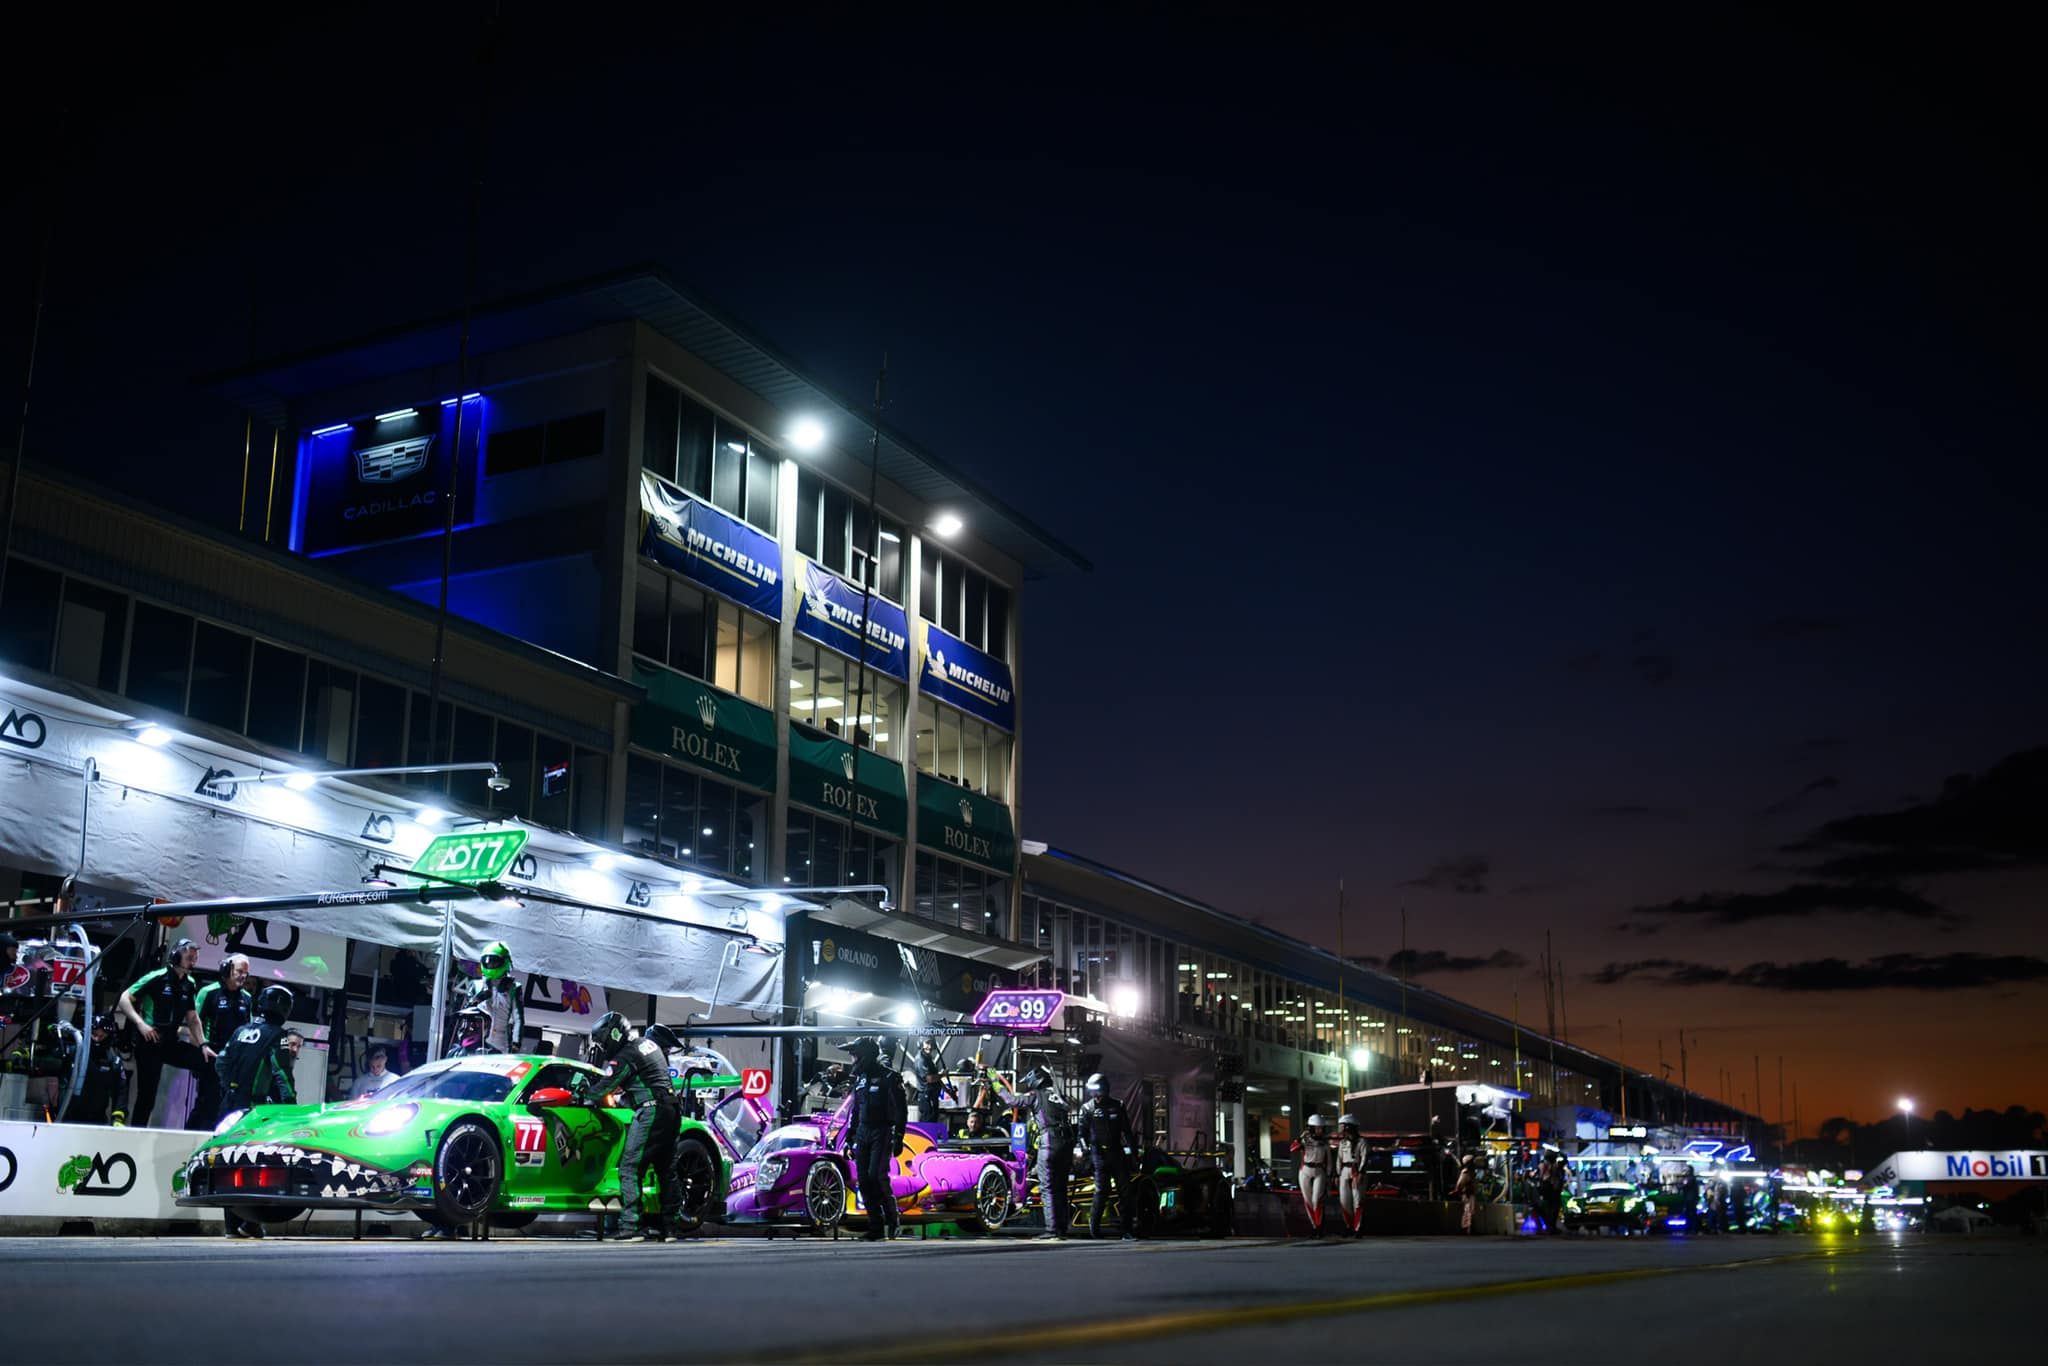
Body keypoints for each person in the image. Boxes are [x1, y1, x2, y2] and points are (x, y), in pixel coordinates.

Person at [579, 1010, 691, 1241]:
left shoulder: (625, 1055)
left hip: (652, 1111)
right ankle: (670, 1228)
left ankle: (631, 1226)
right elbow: (645, 1083)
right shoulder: (648, 1045)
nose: (602, 1047)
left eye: (602, 1041)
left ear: (614, 1034)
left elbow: (603, 1089)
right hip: (672, 1111)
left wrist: (582, 1093)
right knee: (666, 1171)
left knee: (630, 1167)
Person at [214, 985, 297, 1238]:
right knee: (254, 1165)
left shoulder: (240, 1030)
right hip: (254, 1108)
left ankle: (232, 1226)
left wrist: (230, 1087)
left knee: (227, 1162)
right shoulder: (278, 1035)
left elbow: (221, 1061)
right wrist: (290, 1108)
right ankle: (250, 1222)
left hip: (228, 1105)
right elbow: (282, 1073)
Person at [118, 938, 218, 1129]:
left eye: (195, 958)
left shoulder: (189, 983)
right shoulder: (157, 977)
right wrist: (141, 1024)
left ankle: (201, 1122)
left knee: (209, 1062)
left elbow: (192, 1018)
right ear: (176, 956)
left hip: (171, 1042)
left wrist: (203, 1044)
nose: (193, 962)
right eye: (189, 957)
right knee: (147, 1096)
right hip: (150, 1042)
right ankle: (136, 1133)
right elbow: (124, 999)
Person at [845, 1036, 906, 1242]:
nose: (853, 1059)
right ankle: (876, 1227)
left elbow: (901, 1109)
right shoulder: (860, 1080)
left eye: (855, 1055)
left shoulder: (890, 1077)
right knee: (863, 1180)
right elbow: (855, 1110)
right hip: (863, 1132)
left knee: (876, 1176)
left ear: (866, 1055)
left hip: (883, 1130)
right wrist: (849, 1137)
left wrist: (899, 1136)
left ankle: (893, 1220)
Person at [1079, 1073, 1138, 1240]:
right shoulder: (1087, 1108)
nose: (1094, 1095)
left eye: (1097, 1091)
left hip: (1117, 1153)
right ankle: (1094, 1230)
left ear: (1104, 1089)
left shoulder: (1118, 1105)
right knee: (1101, 1191)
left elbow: (1127, 1131)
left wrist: (1134, 1153)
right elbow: (1081, 1134)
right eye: (1092, 1091)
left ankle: (1127, 1231)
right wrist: (1085, 1151)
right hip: (1098, 1155)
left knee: (1125, 1192)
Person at [1020, 1066, 1074, 1240]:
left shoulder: (1036, 1096)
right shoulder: (1058, 1096)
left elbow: (1012, 1100)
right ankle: (1062, 1230)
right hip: (1066, 1144)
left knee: (1048, 1188)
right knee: (1061, 1188)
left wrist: (995, 1083)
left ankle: (1051, 1230)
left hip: (1049, 1142)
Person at [62, 1012, 132, 1126]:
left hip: (97, 1120)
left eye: (101, 1036)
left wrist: (118, 1118)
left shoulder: (113, 1061)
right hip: (68, 1118)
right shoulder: (74, 1054)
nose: (97, 1039)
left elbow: (121, 1091)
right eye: (94, 1034)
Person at [453, 941, 523, 1053]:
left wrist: (516, 1043)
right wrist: (477, 999)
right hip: (478, 1035)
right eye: (488, 962)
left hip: (501, 1039)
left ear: (505, 961)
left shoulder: (514, 987)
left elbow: (518, 1018)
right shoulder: (476, 985)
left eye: (494, 962)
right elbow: (465, 1013)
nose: (491, 965)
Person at [1291, 1114, 1335, 1237]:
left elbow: (1329, 1162)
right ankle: (1314, 1227)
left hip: (1319, 1171)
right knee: (1308, 1200)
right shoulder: (1305, 1140)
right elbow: (1293, 1149)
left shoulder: (1325, 1143)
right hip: (1305, 1170)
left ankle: (1319, 1227)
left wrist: (1329, 1177)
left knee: (1317, 1200)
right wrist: (1300, 1138)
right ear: (1311, 1128)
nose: (1320, 1130)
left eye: (1321, 1128)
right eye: (1317, 1128)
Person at [1334, 1114, 1369, 1237]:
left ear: (1349, 1127)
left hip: (1356, 1171)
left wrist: (1361, 1173)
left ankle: (1358, 1229)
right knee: (1344, 1201)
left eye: (1342, 1126)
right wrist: (1337, 1175)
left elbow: (1365, 1158)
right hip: (1344, 1171)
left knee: (1357, 1201)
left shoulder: (1362, 1141)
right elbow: (1339, 1159)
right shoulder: (1342, 1142)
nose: (1340, 1128)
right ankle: (1348, 1227)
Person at [912, 1037, 946, 1120]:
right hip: (926, 1097)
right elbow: (930, 1079)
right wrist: (943, 1074)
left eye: (931, 1044)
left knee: (932, 1120)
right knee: (928, 1122)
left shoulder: (928, 1058)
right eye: (927, 1043)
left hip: (931, 1096)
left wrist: (947, 1089)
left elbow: (935, 1078)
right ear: (921, 1044)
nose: (930, 1046)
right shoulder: (921, 1059)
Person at [1453, 1153, 1480, 1234]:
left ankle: (1469, 1227)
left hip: (1471, 1193)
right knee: (1468, 1210)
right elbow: (1460, 1183)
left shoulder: (1471, 1172)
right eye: (1472, 1162)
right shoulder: (1466, 1172)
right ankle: (1467, 1228)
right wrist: (1457, 1190)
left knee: (1470, 1210)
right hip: (1468, 1194)